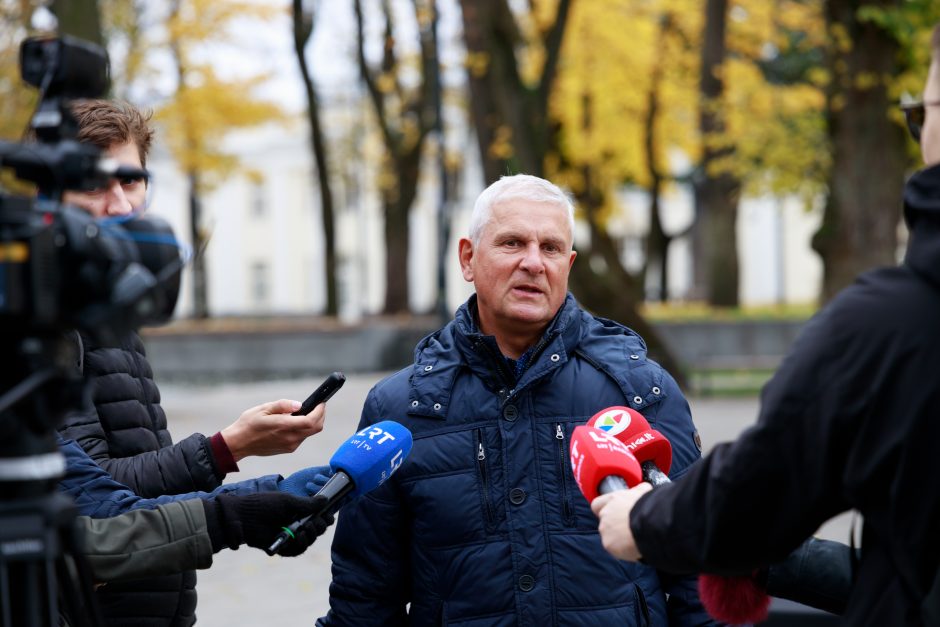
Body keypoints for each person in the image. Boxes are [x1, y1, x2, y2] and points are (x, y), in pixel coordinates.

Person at [590, 24, 940, 626]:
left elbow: (756, 494)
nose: (532, 263)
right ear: (469, 258)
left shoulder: (893, 327)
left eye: (919, 115)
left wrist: (645, 520)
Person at [317, 174, 716, 625]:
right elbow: (365, 593)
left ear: (569, 263)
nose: (533, 262)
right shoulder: (400, 407)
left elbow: (699, 575)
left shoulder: (642, 390)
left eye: (550, 248)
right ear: (468, 258)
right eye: (512, 243)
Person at [56, 99, 329, 626]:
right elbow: (97, 501)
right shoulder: (47, 330)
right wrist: (231, 450)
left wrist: (251, 484)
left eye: (130, 182)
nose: (120, 205)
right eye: (93, 185)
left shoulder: (114, 317)